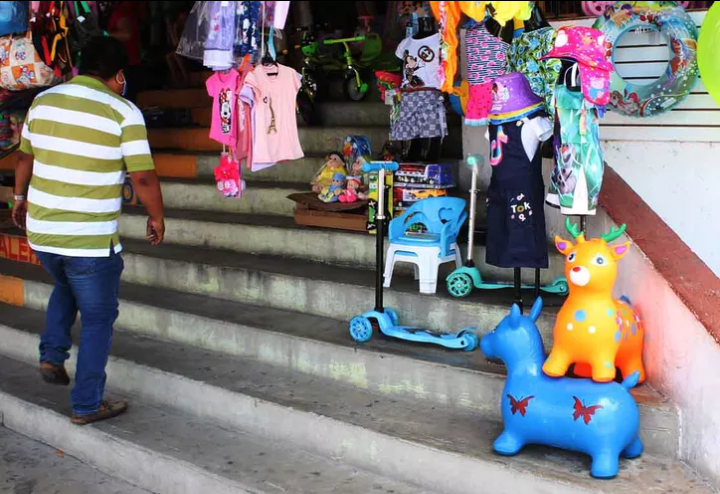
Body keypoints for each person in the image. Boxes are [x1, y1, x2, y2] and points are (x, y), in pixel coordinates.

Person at [11, 36, 165, 426]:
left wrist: (18, 199)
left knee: (66, 282)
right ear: (119, 74)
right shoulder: (123, 111)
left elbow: (24, 158)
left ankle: (52, 354)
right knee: (98, 318)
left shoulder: (43, 101)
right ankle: (86, 404)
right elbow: (143, 177)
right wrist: (156, 217)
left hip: (43, 232)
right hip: (90, 239)